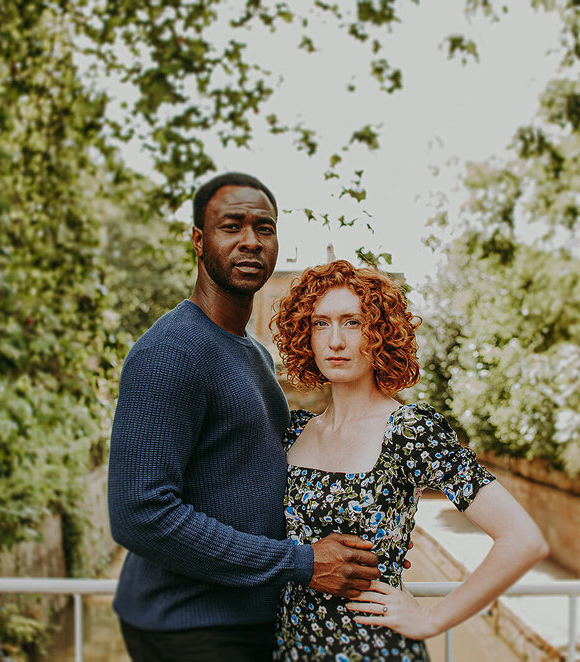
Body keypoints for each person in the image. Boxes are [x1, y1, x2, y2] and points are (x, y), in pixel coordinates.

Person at [107, 174, 381, 662]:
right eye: (231, 226)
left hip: (246, 618)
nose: (251, 241)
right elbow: (139, 515)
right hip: (190, 626)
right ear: (198, 240)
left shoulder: (254, 353)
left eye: (265, 228)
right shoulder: (168, 351)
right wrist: (299, 562)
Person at [270, 260, 549, 661]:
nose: (334, 341)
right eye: (320, 323)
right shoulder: (294, 431)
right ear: (305, 335)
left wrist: (432, 620)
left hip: (374, 650)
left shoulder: (409, 430)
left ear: (379, 333)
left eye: (352, 322)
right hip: (291, 649)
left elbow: (524, 540)